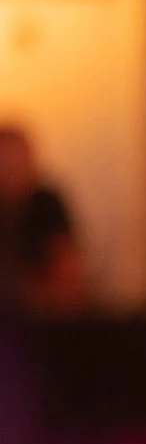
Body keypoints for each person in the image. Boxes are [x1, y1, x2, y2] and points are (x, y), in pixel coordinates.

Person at [0, 123, 83, 313]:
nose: (13, 169)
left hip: (43, 324)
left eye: (18, 160)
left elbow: (69, 277)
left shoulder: (47, 207)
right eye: (6, 161)